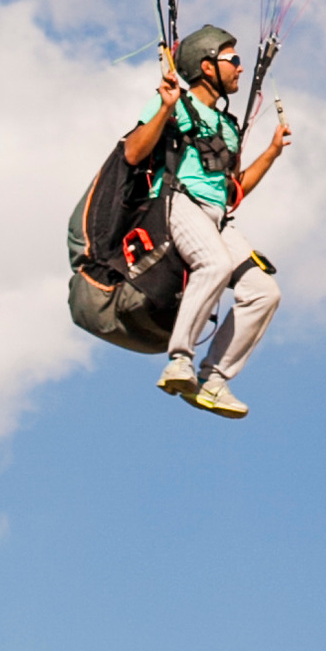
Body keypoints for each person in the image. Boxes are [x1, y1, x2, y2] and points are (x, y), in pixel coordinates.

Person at [117, 25, 291, 420]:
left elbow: (235, 189)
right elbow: (132, 152)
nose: (241, 69)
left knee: (264, 292)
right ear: (207, 66)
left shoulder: (227, 126)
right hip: (178, 201)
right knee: (213, 264)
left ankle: (214, 380)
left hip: (217, 217)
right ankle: (179, 361)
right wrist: (164, 108)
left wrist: (272, 153)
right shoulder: (174, 104)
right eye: (233, 60)